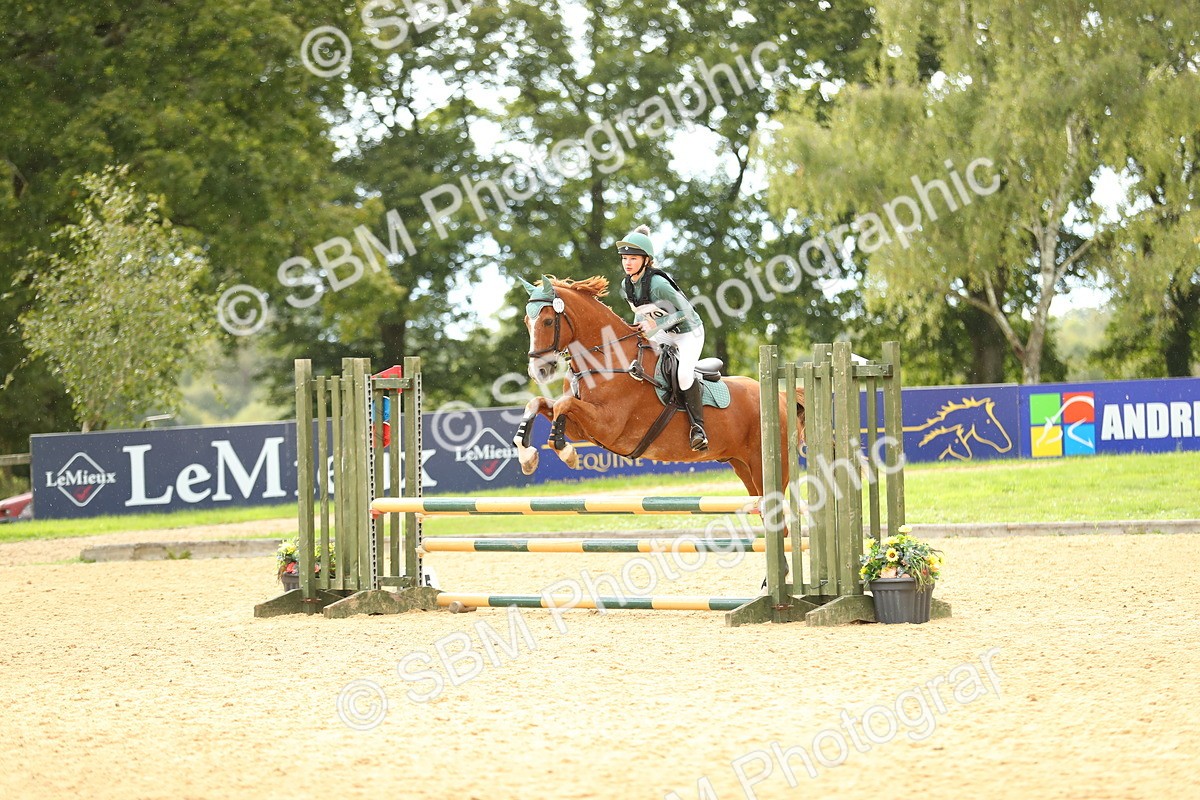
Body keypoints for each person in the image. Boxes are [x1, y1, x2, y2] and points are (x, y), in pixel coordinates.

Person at [615, 224, 708, 451]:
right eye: (625, 258)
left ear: (646, 260)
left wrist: (654, 325)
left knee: (684, 375)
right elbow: (641, 313)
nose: (627, 263)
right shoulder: (626, 285)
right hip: (664, 334)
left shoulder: (658, 284)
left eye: (633, 258)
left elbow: (686, 312)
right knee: (637, 366)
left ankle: (699, 428)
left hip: (688, 333)